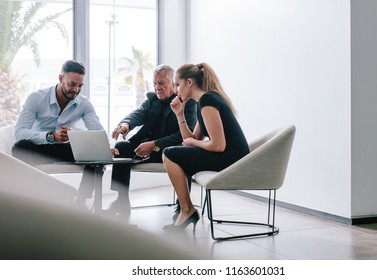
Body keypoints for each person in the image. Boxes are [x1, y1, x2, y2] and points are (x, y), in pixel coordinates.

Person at [74, 64, 198, 216]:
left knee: (179, 153)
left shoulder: (188, 102)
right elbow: (137, 114)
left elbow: (184, 136)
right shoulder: (152, 99)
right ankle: (122, 201)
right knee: (121, 147)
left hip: (171, 150)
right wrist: (125, 124)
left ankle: (183, 205)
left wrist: (155, 145)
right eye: (154, 83)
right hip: (145, 148)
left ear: (173, 83)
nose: (157, 87)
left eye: (161, 83)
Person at [162, 62, 250, 231]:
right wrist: (180, 115)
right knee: (172, 154)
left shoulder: (208, 100)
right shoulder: (202, 102)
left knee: (169, 153)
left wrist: (193, 143)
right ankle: (186, 209)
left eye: (177, 84)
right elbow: (192, 138)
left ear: (189, 82)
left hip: (233, 158)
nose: (175, 90)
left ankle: (187, 210)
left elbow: (217, 145)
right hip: (228, 155)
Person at [12, 60, 105, 209]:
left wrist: (104, 148)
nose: (75, 90)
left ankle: (82, 201)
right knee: (20, 146)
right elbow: (18, 133)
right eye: (72, 84)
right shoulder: (36, 98)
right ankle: (29, 200)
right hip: (38, 148)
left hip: (63, 149)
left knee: (97, 155)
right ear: (61, 79)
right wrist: (51, 136)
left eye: (80, 86)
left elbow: (97, 132)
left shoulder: (84, 104)